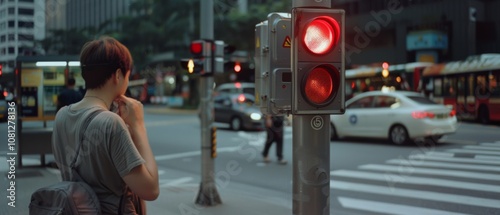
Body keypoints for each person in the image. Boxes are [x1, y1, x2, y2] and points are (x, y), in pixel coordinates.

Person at [52, 36, 159, 214]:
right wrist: (139, 126)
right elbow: (150, 190)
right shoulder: (110, 123)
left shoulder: (61, 116)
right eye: (127, 74)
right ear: (118, 75)